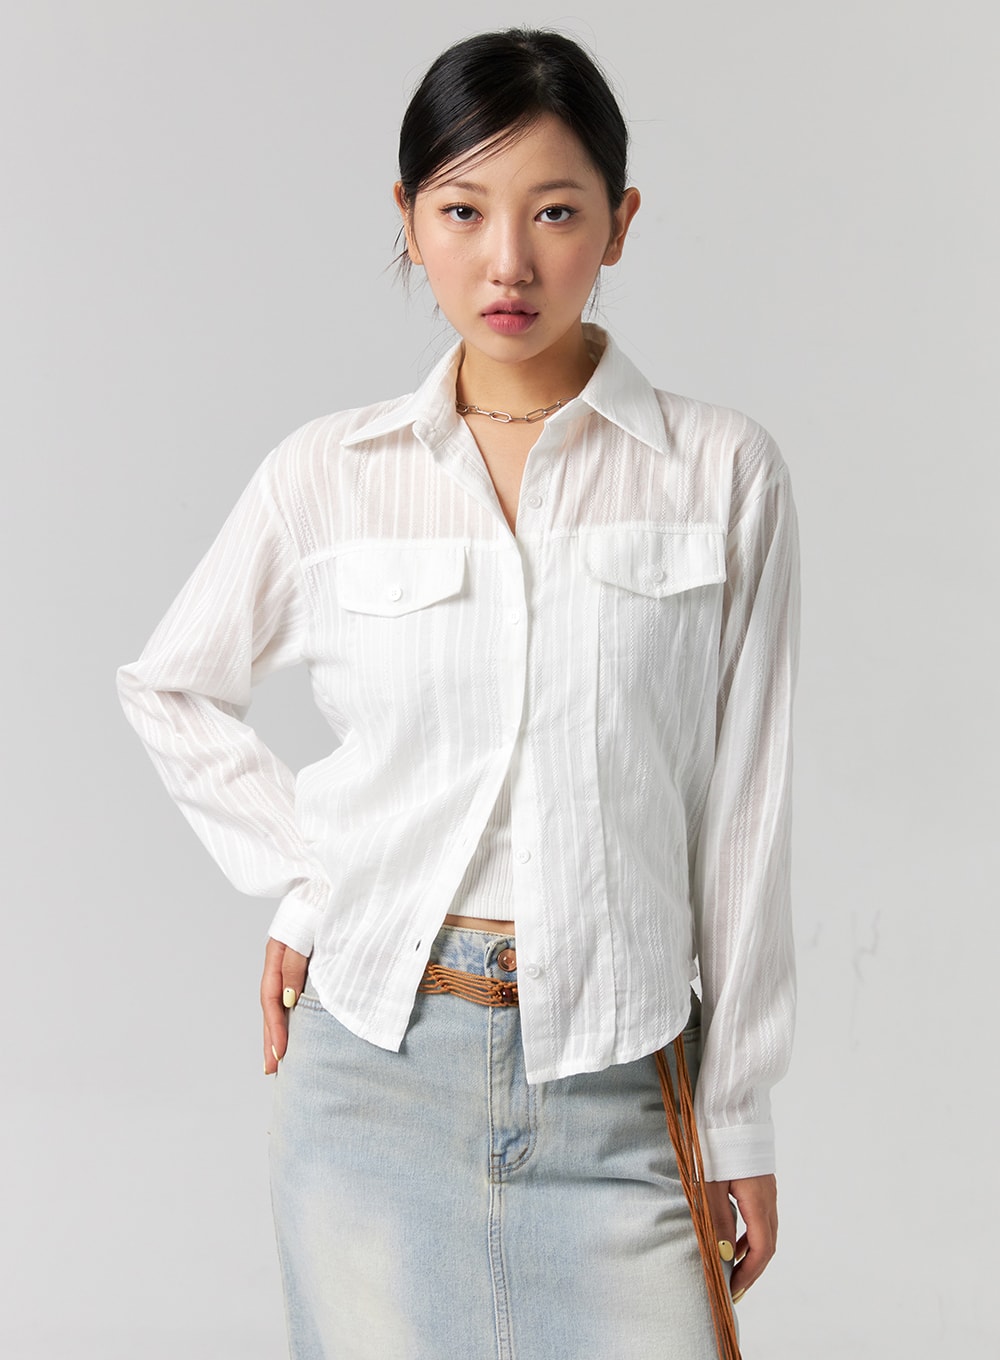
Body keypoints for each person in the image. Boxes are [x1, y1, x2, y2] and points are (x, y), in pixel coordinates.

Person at [117, 27, 799, 1360]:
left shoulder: (723, 475)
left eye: (556, 211)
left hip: (622, 1080)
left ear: (620, 223)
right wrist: (312, 878)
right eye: (464, 210)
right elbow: (171, 687)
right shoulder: (329, 476)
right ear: (409, 219)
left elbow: (746, 818)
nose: (509, 262)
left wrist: (742, 1115)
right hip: (375, 1075)